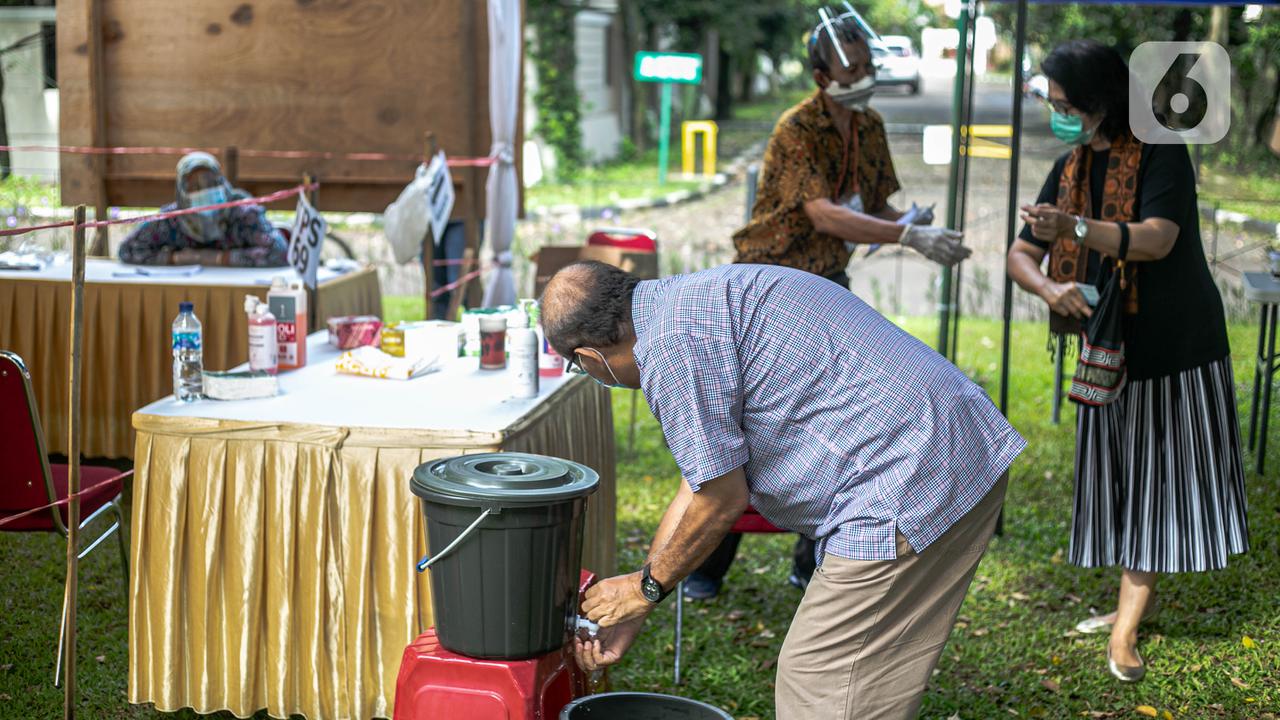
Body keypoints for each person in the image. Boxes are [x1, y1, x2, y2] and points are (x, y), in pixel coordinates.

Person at [542, 261, 1025, 719]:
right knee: (870, 674)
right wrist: (640, 601)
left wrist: (646, 588)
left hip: (904, 477)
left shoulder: (668, 348)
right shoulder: (693, 300)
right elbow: (701, 483)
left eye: (581, 369)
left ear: (589, 356)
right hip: (962, 441)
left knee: (818, 678)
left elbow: (720, 501)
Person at [693, 14, 971, 600]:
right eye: (853, 70)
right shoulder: (797, 127)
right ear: (821, 75)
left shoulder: (868, 126)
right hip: (767, 285)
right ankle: (706, 565)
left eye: (869, 67)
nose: (864, 78)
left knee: (836, 417)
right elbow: (822, 213)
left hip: (827, 282)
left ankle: (813, 558)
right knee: (750, 420)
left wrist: (921, 228)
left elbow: (878, 206)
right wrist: (905, 237)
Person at [1008, 40, 1249, 683]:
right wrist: (1049, 287)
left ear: (1099, 100)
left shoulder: (1162, 153)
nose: (1057, 114)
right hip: (1106, 353)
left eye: (1065, 104)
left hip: (1174, 347)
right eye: (1053, 104)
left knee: (1157, 487)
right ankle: (1126, 600)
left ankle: (1125, 631)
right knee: (1118, 481)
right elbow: (1019, 253)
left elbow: (1157, 239)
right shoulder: (1067, 167)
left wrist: (1077, 230)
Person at [118, 152, 288, 267]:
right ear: (182, 192)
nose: (205, 190)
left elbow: (279, 251)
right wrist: (176, 258)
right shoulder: (172, 219)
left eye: (211, 182)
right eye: (195, 186)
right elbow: (127, 250)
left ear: (222, 183)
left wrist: (222, 259)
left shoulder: (243, 214)